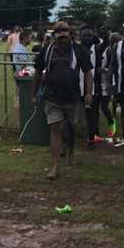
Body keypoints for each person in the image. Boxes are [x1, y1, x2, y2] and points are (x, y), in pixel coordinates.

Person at [32, 21, 93, 180]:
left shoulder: (79, 51)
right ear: (54, 35)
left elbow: (88, 72)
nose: (62, 34)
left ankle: (70, 150)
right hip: (52, 97)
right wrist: (34, 93)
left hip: (72, 97)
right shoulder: (47, 50)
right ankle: (54, 166)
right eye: (58, 32)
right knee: (55, 128)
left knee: (71, 128)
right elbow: (38, 73)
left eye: (64, 31)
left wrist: (88, 92)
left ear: (70, 33)